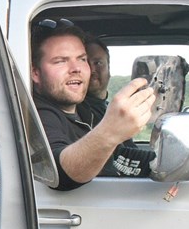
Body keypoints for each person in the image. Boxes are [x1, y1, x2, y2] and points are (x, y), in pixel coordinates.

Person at [31, 21, 156, 190]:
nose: (76, 68)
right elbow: (56, 172)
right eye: (60, 61)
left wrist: (165, 163)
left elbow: (118, 157)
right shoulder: (35, 115)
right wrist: (110, 132)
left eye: (82, 59)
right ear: (35, 73)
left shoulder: (87, 110)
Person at [82, 33, 111, 121]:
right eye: (84, 62)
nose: (92, 69)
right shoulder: (75, 112)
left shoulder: (112, 109)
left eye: (98, 63)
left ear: (109, 68)